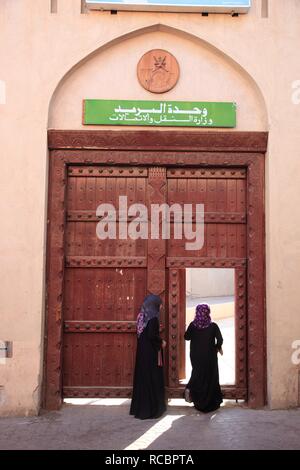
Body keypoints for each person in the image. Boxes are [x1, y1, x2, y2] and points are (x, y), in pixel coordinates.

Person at [130, 294, 167, 419]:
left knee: (143, 378)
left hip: (142, 353)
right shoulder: (153, 318)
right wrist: (161, 342)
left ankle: (141, 408)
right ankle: (152, 409)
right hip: (151, 354)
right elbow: (151, 335)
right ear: (154, 305)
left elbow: (145, 333)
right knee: (152, 378)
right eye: (159, 304)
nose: (161, 307)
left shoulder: (141, 317)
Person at [184, 303, 223, 413]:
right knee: (210, 377)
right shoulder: (213, 326)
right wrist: (217, 347)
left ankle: (198, 400)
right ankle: (211, 402)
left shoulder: (193, 325)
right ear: (208, 312)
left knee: (198, 374)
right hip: (210, 357)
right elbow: (220, 339)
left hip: (196, 356)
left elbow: (186, 337)